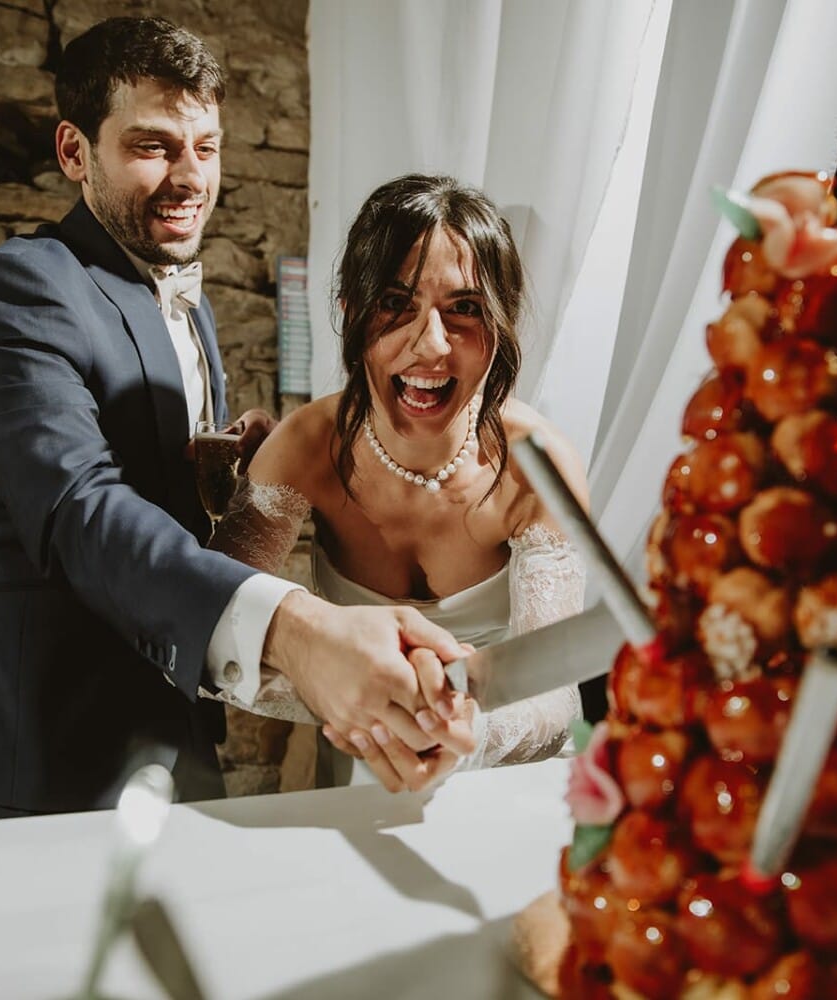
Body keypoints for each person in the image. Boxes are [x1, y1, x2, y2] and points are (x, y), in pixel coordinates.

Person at [0, 19, 471, 818]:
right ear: (74, 152)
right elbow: (77, 509)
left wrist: (226, 470)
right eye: (153, 146)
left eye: (207, 146)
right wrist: (295, 627)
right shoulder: (20, 287)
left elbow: (149, 481)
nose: (190, 176)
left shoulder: (191, 307)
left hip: (183, 707)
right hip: (64, 733)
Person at [210, 174, 588, 792]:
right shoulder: (303, 449)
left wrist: (465, 736)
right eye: (395, 303)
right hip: (343, 777)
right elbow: (216, 636)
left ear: (503, 323)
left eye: (465, 308)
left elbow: (555, 696)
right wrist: (353, 695)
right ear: (351, 316)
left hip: (498, 787)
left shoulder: (537, 467)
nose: (431, 345)